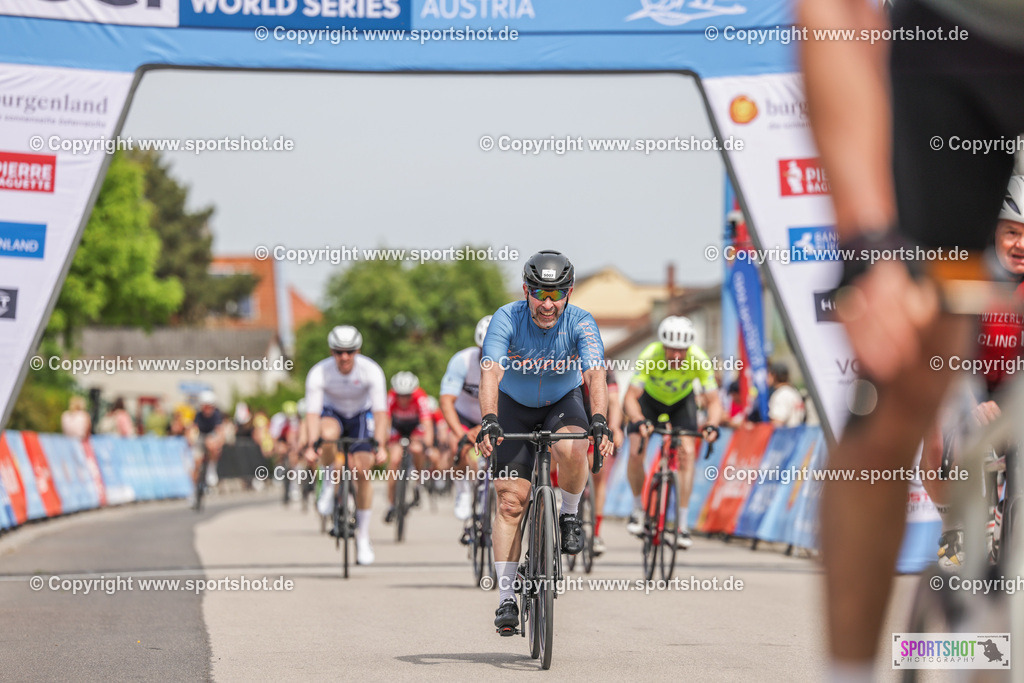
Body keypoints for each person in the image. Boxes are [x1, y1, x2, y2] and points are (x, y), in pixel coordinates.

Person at [799, 0, 1024, 675]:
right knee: (901, 371)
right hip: (958, 40)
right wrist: (871, 246)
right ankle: (850, 668)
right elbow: (831, 11)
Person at [477, 249, 614, 634]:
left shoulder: (582, 322)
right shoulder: (507, 318)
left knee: (573, 447)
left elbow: (595, 375)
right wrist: (488, 419)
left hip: (562, 402)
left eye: (557, 294)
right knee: (509, 501)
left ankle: (569, 514)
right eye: (540, 293)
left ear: (568, 292)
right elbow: (490, 372)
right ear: (526, 290)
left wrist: (600, 420)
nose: (548, 303)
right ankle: (506, 599)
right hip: (513, 405)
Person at [622, 316, 721, 548]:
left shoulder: (699, 359)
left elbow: (714, 402)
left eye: (681, 351)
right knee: (637, 449)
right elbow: (630, 397)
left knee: (687, 453)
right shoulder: (650, 355)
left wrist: (712, 425)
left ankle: (682, 525)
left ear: (689, 349)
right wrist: (638, 420)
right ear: (663, 346)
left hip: (680, 403)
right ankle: (638, 509)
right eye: (672, 350)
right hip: (650, 402)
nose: (677, 356)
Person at [302, 325, 389, 565]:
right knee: (328, 434)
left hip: (361, 415)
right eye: (339, 352)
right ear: (332, 352)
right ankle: (329, 479)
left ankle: (362, 536)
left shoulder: (371, 370)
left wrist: (380, 445)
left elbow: (381, 413)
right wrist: (311, 445)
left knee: (363, 470)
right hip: (333, 413)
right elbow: (312, 415)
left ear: (357, 350)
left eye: (349, 351)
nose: (344, 357)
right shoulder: (319, 372)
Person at [440, 314, 491, 523]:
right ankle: (462, 491)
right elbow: (446, 401)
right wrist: (462, 434)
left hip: (493, 416)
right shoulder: (462, 360)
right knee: (456, 444)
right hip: (464, 416)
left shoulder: (512, 363)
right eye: (484, 351)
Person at [384, 371, 435, 522]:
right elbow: (385, 420)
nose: (404, 399)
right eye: (401, 395)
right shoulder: (391, 397)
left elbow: (427, 423)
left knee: (417, 448)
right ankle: (392, 504)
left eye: (407, 395)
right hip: (397, 428)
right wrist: (385, 441)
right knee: (394, 461)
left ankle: (418, 480)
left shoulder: (420, 397)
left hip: (414, 427)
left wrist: (428, 445)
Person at [191, 391, 225, 494]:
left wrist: (217, 442)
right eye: (206, 407)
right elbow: (193, 429)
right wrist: (191, 439)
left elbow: (220, 432)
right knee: (196, 463)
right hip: (201, 436)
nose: (208, 410)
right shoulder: (198, 415)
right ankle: (194, 489)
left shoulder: (216, 415)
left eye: (210, 407)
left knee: (212, 443)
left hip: (211, 436)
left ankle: (211, 468)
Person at [766, 361, 806, 428]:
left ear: (774, 376)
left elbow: (777, 423)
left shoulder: (781, 395)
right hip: (798, 434)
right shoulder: (793, 391)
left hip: (787, 436)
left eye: (769, 375)